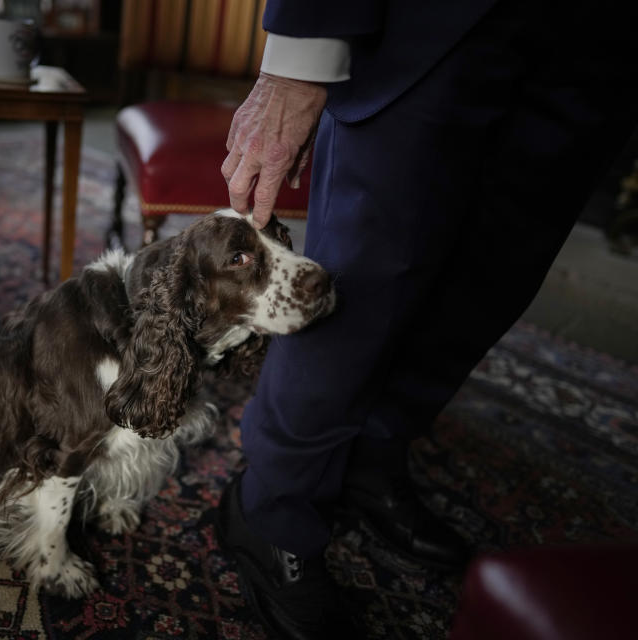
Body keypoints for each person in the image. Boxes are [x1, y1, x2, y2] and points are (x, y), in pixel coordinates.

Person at [214, 0, 638, 637]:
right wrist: (298, 61)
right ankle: (274, 507)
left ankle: (374, 457)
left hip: (599, 44)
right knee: (354, 283)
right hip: (432, 24)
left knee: (491, 277)